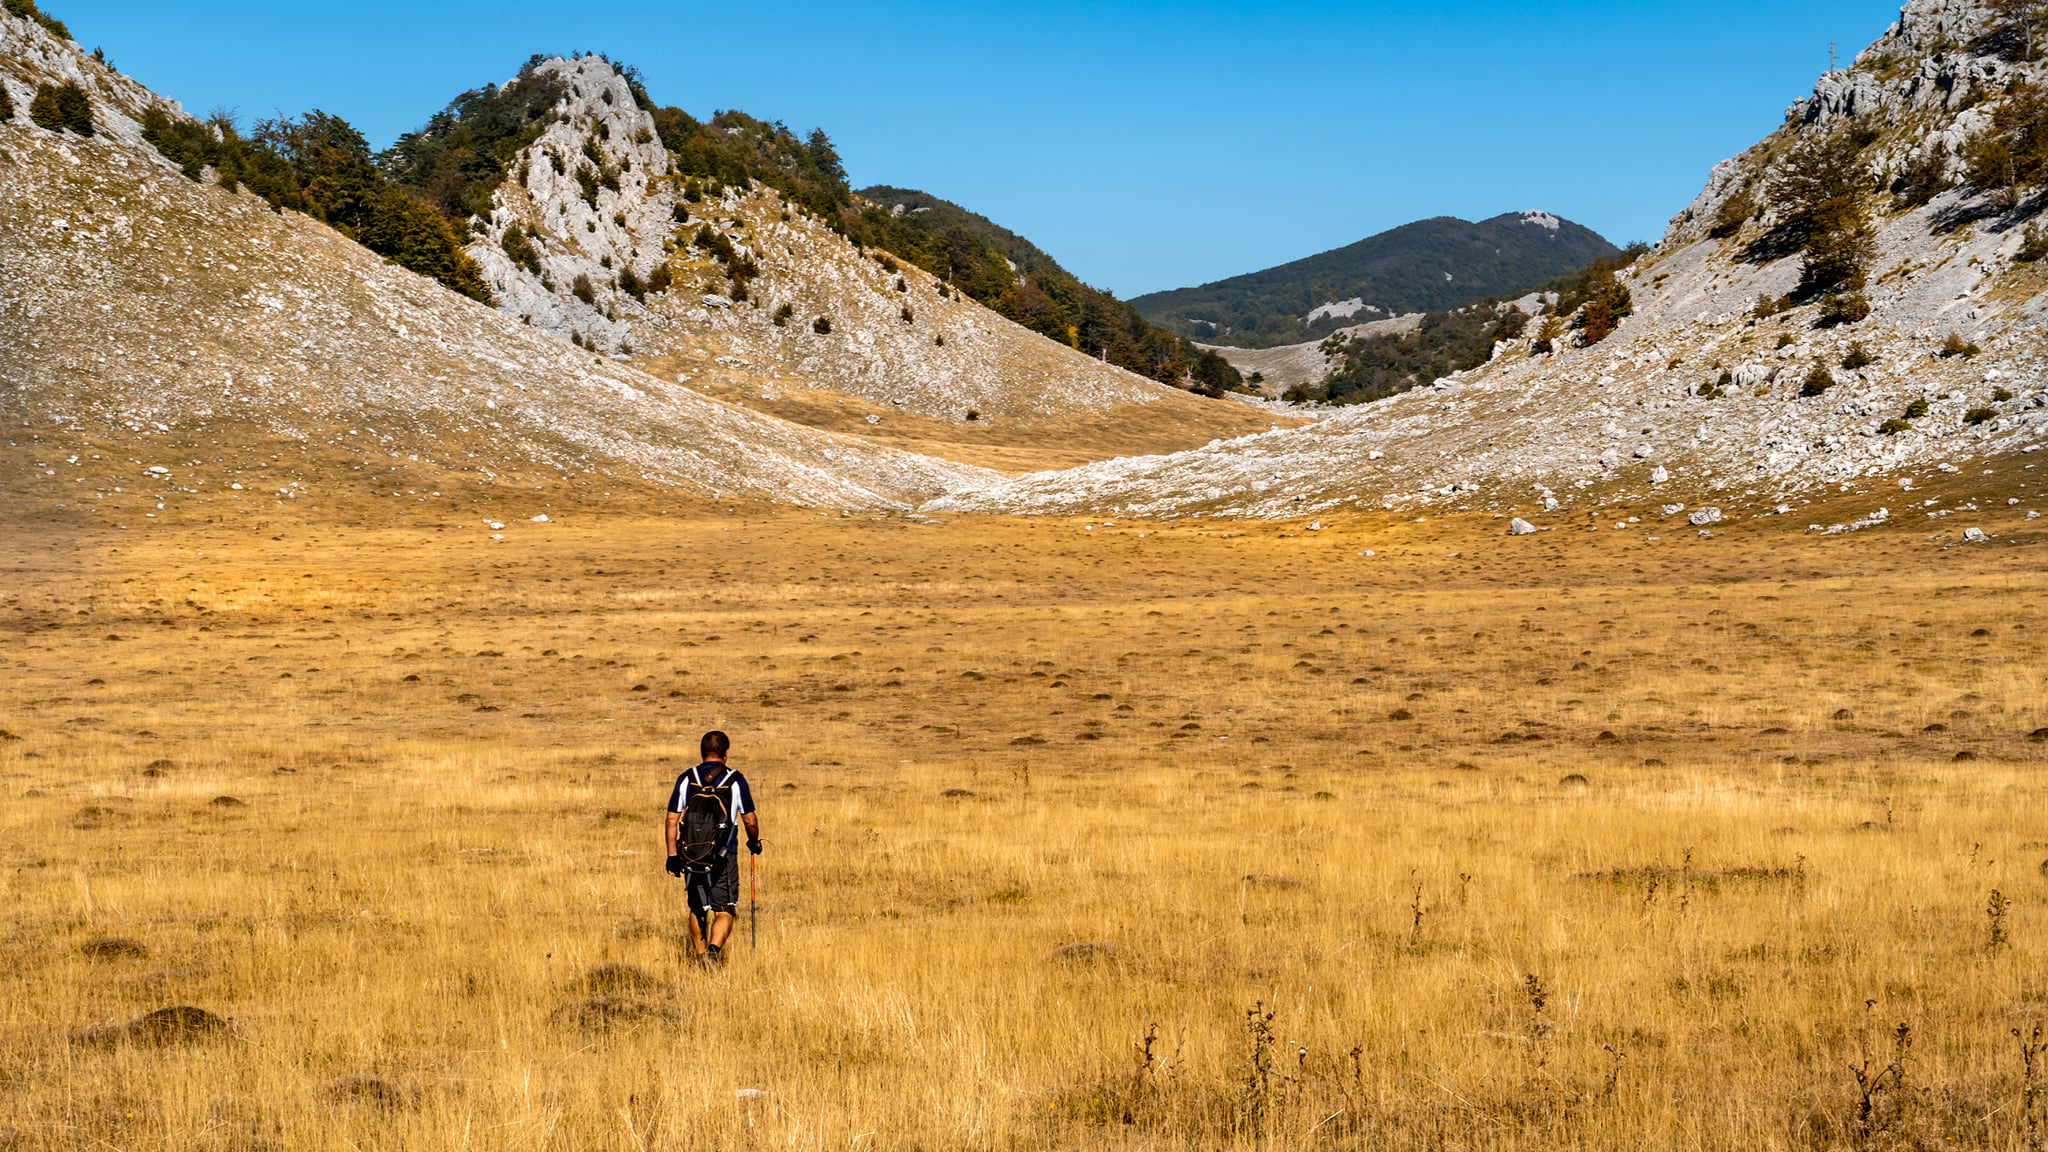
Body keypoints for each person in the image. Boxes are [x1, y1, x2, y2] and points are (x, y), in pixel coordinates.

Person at [665, 730, 761, 966]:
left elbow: (671, 819)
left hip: (691, 855)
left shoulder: (688, 778)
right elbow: (750, 820)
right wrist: (754, 841)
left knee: (698, 907)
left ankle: (699, 958)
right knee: (724, 909)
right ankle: (713, 953)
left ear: (702, 751)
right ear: (726, 754)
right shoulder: (735, 780)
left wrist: (672, 857)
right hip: (723, 854)